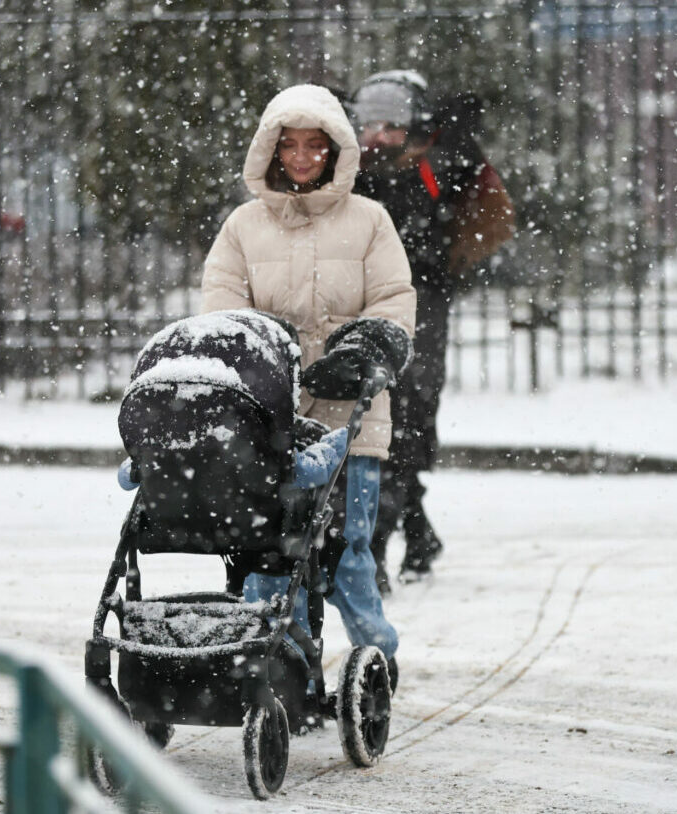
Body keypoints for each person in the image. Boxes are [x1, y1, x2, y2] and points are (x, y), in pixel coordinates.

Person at [200, 83, 416, 680]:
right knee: (272, 555)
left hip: (352, 415)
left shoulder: (370, 220)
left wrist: (364, 350)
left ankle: (376, 656)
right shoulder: (244, 227)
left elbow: (394, 300)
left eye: (313, 146)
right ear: (270, 150)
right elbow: (221, 309)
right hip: (272, 417)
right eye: (289, 145)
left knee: (349, 553)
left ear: (334, 150)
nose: (300, 157)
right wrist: (260, 354)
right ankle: (286, 667)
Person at [349, 70, 515, 591]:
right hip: (362, 307)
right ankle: (415, 533)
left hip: (420, 310)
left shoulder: (439, 165)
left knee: (404, 419)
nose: (377, 136)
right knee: (374, 420)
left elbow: (486, 222)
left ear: (416, 124)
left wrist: (444, 265)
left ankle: (378, 546)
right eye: (368, 125)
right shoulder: (348, 170)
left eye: (390, 125)